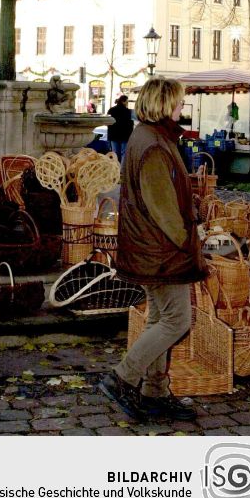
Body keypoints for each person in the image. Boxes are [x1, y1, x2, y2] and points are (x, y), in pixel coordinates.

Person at [99, 77, 207, 422]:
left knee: (161, 318)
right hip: (160, 251)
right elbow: (163, 209)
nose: (181, 107)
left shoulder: (150, 136)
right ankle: (123, 377)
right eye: (177, 102)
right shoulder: (155, 144)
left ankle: (154, 393)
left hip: (149, 247)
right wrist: (190, 242)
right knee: (176, 320)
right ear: (163, 104)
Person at [106, 94, 133, 162]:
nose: (127, 103)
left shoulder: (111, 110)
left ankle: (116, 168)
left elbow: (108, 122)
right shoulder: (127, 111)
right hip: (125, 135)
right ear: (123, 101)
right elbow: (130, 123)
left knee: (115, 153)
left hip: (113, 135)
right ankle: (121, 170)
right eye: (127, 101)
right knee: (124, 153)